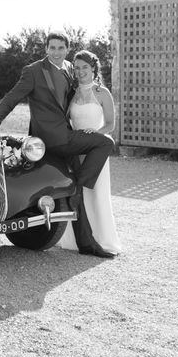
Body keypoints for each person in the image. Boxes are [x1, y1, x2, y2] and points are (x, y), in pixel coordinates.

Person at [0, 31, 116, 258]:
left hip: (67, 136)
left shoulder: (69, 69)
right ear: (46, 49)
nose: (56, 52)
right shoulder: (33, 71)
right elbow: (12, 98)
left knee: (77, 190)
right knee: (105, 143)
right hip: (51, 137)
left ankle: (87, 244)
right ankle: (80, 185)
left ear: (67, 49)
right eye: (52, 47)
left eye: (60, 48)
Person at [56, 50, 121, 255]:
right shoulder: (72, 93)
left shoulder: (103, 93)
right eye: (77, 68)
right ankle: (76, 240)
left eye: (85, 67)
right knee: (79, 193)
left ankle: (103, 240)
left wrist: (96, 133)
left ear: (93, 68)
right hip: (75, 150)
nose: (81, 71)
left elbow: (110, 124)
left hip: (95, 151)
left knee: (97, 194)